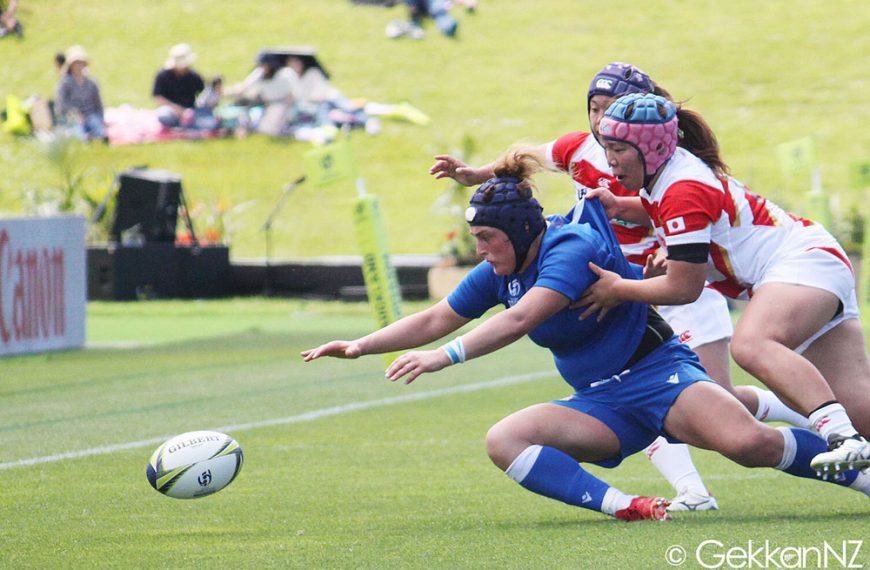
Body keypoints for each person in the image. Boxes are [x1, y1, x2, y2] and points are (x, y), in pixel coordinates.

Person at [304, 151, 870, 522]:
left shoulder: (568, 249)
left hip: (660, 375)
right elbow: (435, 317)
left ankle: (862, 475)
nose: (478, 249)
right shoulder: (500, 267)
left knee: (752, 446)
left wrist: (442, 358)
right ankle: (629, 507)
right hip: (600, 401)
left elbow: (521, 319)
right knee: (504, 440)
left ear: (518, 231)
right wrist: (360, 344)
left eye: (484, 237)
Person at [428, 62, 807, 511]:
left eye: (611, 109)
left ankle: (819, 423)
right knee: (650, 393)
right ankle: (693, 491)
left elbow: (688, 220)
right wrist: (475, 174)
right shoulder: (578, 150)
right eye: (594, 108)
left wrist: (667, 249)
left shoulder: (667, 163)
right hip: (620, 288)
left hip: (673, 285)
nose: (601, 119)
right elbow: (527, 157)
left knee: (716, 406)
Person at [581, 92, 870, 474]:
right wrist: (621, 206)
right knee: (861, 409)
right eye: (605, 147)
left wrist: (618, 290)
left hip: (801, 264)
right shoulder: (668, 174)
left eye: (617, 148)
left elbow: (684, 289)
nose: (609, 159)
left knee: (752, 343)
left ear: (649, 149)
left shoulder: (681, 187)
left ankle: (841, 437)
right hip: (810, 262)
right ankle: (850, 430)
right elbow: (669, 211)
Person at [225, 52, 301, 137]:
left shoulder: (286, 74)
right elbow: (244, 87)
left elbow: (295, 93)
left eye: (264, 65)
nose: (261, 68)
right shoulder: (259, 73)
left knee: (271, 130)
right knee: (259, 125)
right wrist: (226, 92)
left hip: (286, 105)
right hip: (267, 104)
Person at [152, 43, 216, 129]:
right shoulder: (163, 75)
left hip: (190, 111)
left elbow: (204, 93)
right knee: (163, 115)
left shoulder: (193, 76)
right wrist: (177, 109)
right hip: (170, 110)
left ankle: (187, 124)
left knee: (207, 120)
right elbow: (158, 97)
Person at [55, 45, 107, 142]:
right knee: (79, 135)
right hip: (73, 117)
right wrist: (74, 113)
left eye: (81, 63)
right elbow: (61, 104)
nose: (79, 66)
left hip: (90, 114)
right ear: (71, 65)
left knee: (99, 130)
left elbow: (98, 103)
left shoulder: (91, 82)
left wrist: (101, 118)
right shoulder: (65, 83)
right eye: (76, 63)